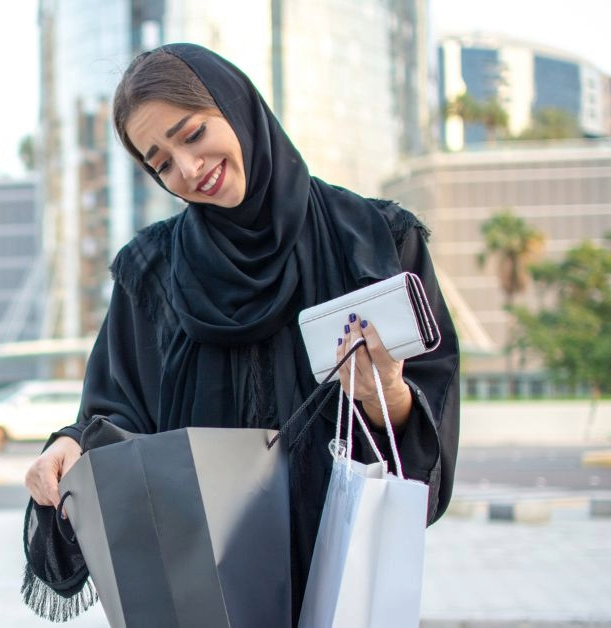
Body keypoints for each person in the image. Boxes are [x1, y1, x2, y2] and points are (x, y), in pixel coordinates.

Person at [23, 43, 460, 622]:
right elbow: (118, 410)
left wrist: (389, 395)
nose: (187, 168)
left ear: (237, 107)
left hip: (337, 568)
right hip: (198, 576)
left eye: (193, 133)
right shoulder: (151, 271)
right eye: (160, 163)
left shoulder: (374, 239)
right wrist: (70, 446)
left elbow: (431, 401)